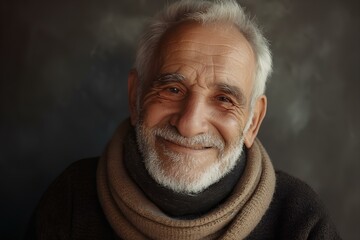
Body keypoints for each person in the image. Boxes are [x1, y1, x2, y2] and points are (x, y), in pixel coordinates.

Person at [26, 0, 340, 239]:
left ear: (253, 121)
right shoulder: (72, 196)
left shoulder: (300, 221)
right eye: (173, 89)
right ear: (135, 98)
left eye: (223, 99)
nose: (189, 124)